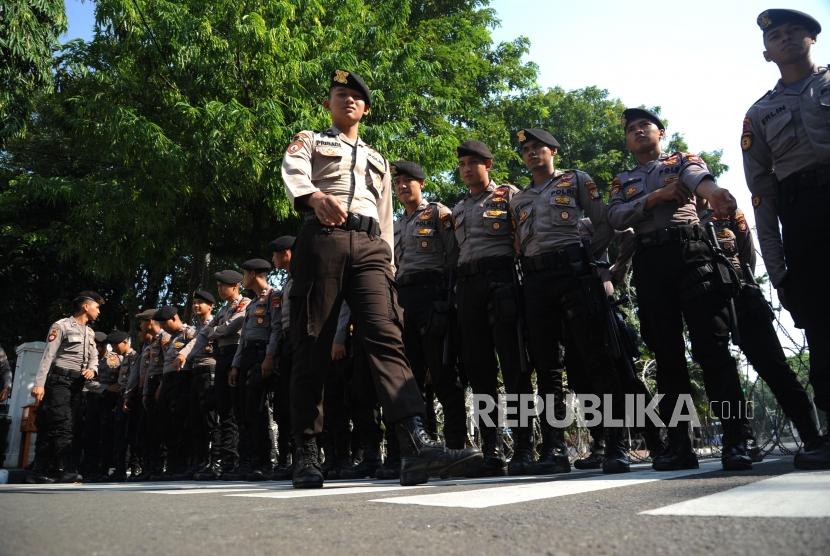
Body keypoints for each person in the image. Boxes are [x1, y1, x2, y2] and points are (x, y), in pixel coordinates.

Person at [281, 69, 481, 488]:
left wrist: (387, 262)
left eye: (356, 96)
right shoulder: (311, 139)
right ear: (328, 104)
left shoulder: (378, 159)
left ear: (366, 108)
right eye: (340, 94)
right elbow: (294, 169)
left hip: (371, 247)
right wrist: (314, 196)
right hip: (324, 239)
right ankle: (306, 450)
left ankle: (415, 444)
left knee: (386, 336)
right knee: (313, 341)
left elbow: (386, 213)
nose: (348, 100)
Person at [607, 108, 753, 472]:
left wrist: (715, 192)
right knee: (667, 357)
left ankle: (736, 440)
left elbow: (699, 179)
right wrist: (655, 198)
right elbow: (615, 217)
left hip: (691, 254)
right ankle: (679, 444)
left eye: (645, 125)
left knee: (712, 349)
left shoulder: (682, 160)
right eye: (631, 129)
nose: (638, 131)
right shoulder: (621, 179)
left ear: (661, 132)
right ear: (627, 140)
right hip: (650, 261)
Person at [511, 128, 629, 474]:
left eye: (539, 148)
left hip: (576, 275)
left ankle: (615, 444)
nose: (533, 154)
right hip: (536, 280)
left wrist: (589, 259)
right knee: (547, 368)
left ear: (554, 152)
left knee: (597, 358)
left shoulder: (575, 180)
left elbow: (605, 222)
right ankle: (554, 449)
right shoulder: (518, 199)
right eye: (527, 150)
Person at [742, 8, 830, 469]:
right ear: (766, 52)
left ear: (813, 38)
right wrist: (776, 270)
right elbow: (761, 197)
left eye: (796, 30)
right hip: (804, 219)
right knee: (821, 324)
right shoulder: (758, 113)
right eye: (778, 35)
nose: (788, 38)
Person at [697, 202, 822, 464]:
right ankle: (741, 439)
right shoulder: (679, 217)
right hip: (706, 298)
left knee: (774, 367)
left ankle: (811, 435)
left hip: (741, 292)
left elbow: (746, 254)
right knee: (720, 373)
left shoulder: (727, 209)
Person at [391, 159, 468, 449]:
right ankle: (425, 446)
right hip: (407, 300)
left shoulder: (438, 213)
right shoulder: (397, 224)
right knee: (412, 378)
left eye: (407, 181)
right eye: (398, 182)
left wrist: (445, 302)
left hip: (435, 297)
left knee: (443, 373)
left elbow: (454, 257)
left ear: (421, 184)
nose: (402, 186)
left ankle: (456, 443)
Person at [181, 272, 250, 479]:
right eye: (219, 286)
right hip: (222, 358)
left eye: (223, 286)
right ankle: (225, 462)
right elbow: (204, 334)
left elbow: (232, 326)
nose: (220, 289)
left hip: (236, 356)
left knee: (238, 411)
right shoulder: (224, 309)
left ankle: (239, 459)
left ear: (236, 286)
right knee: (224, 411)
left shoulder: (245, 303)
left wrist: (215, 332)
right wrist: (187, 356)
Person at [28, 291, 103, 483]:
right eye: (97, 306)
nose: (99, 311)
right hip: (59, 382)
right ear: (86, 307)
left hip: (77, 384)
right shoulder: (61, 326)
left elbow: (94, 357)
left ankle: (39, 471)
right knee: (63, 424)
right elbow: (48, 356)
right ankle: (67, 469)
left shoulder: (90, 332)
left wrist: (92, 369)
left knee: (58, 426)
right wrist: (39, 384)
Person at [228, 258, 280, 481]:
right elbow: (244, 339)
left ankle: (264, 462)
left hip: (262, 355)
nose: (243, 278)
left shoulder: (273, 296)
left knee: (259, 410)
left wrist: (269, 357)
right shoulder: (250, 304)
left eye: (245, 274)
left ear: (253, 274)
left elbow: (276, 329)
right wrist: (235, 365)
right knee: (245, 411)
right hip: (248, 355)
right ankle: (248, 461)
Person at [155, 306, 197, 479]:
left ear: (174, 318)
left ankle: (182, 465)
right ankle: (172, 465)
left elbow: (198, 345)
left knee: (181, 421)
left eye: (165, 323)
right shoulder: (170, 339)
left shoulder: (189, 332)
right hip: (167, 381)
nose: (163, 327)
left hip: (182, 378)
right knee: (168, 424)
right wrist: (161, 386)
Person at [107, 330, 136, 481]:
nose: (113, 348)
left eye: (115, 344)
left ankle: (124, 469)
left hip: (128, 399)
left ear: (125, 342)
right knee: (118, 435)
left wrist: (127, 398)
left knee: (126, 435)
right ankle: (119, 469)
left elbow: (132, 381)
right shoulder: (124, 359)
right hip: (121, 398)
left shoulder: (133, 357)